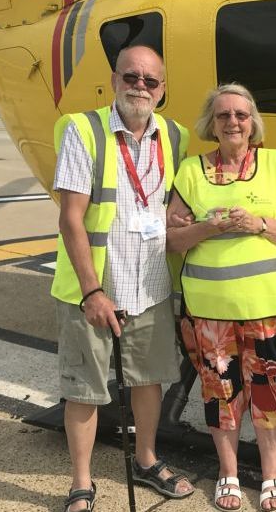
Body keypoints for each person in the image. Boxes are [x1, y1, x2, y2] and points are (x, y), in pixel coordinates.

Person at [166, 83, 276, 512]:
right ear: (211, 124)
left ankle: (272, 472)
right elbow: (171, 239)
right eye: (223, 116)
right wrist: (207, 228)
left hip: (266, 308)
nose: (233, 122)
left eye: (241, 114)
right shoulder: (190, 171)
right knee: (221, 393)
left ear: (252, 121)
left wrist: (257, 223)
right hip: (210, 310)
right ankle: (228, 472)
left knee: (269, 392)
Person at [51, 45, 196, 512]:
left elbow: (171, 207)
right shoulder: (84, 130)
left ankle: (147, 460)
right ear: (114, 80)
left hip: (151, 284)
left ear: (163, 90)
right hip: (94, 289)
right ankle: (81, 482)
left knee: (148, 380)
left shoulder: (174, 136)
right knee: (85, 389)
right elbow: (71, 218)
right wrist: (93, 291)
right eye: (131, 77)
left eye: (150, 81)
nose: (140, 86)